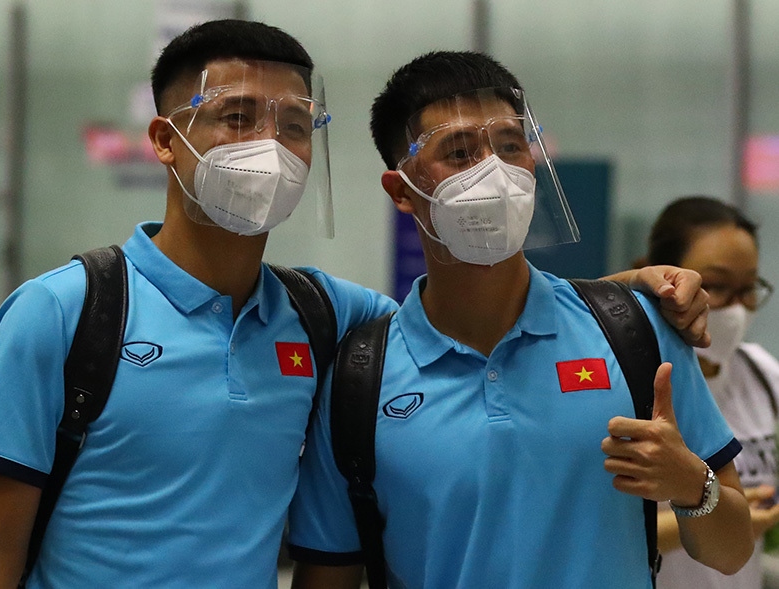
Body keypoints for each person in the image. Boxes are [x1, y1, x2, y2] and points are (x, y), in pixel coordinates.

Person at [0, 20, 708, 587]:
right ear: (166, 138)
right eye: (237, 117)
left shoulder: (325, 318)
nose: (270, 145)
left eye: (297, 124)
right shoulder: (67, 313)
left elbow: (473, 308)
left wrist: (628, 291)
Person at [286, 51, 754, 589]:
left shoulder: (635, 331)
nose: (496, 172)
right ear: (402, 191)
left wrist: (691, 485)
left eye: (511, 146)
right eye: (460, 152)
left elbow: (732, 550)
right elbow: (328, 576)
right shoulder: (356, 382)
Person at [644, 196, 779, 589]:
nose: (736, 309)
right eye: (716, 286)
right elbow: (591, 528)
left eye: (749, 288)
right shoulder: (629, 377)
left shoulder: (759, 372)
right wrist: (725, 519)